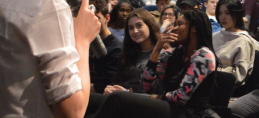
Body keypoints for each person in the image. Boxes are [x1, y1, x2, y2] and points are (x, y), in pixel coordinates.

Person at [91, 10, 222, 117]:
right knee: (93, 99)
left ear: (194, 28)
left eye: (180, 24)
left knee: (118, 99)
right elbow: (146, 86)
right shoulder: (172, 53)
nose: (175, 29)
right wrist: (157, 48)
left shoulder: (203, 56)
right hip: (168, 107)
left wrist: (148, 96)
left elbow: (180, 98)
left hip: (189, 113)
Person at [105, 9, 160, 94]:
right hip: (118, 99)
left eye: (139, 26)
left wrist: (128, 93)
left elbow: (156, 92)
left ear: (150, 25)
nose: (135, 31)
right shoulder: (126, 54)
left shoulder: (161, 54)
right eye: (131, 28)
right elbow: (115, 81)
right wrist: (109, 89)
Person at [212, 0, 259, 84]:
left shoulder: (243, 41)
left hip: (225, 87)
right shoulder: (214, 36)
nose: (223, 17)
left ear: (236, 14)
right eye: (220, 13)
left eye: (227, 13)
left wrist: (214, 72)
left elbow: (239, 75)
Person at [87, 0, 124, 94]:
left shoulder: (116, 48)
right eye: (88, 18)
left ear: (107, 18)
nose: (92, 22)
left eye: (97, 18)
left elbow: (103, 86)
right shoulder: (85, 42)